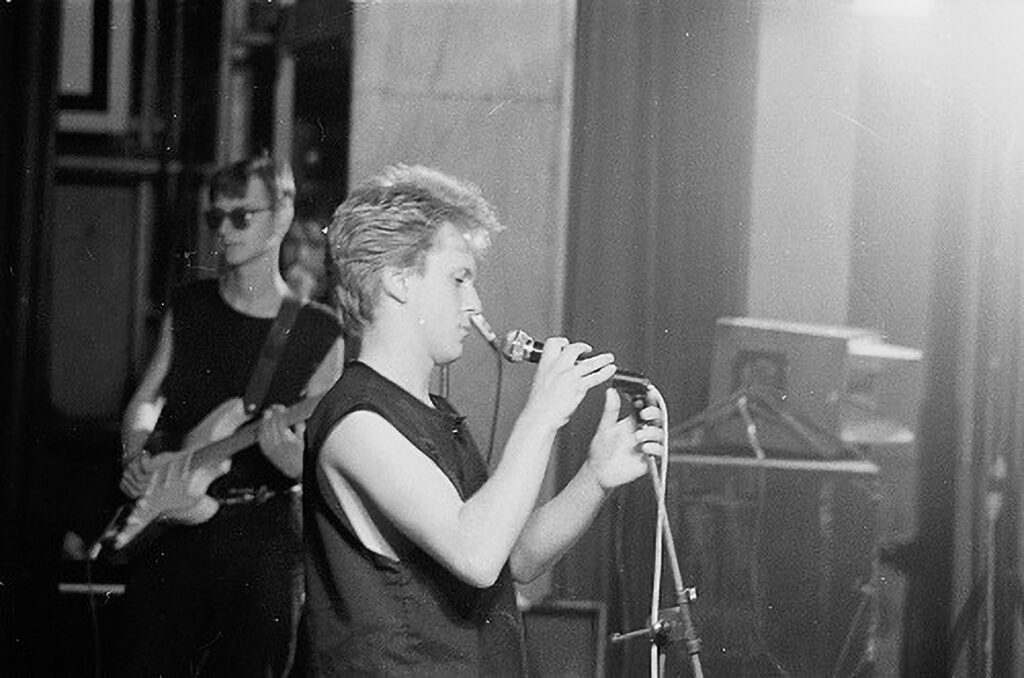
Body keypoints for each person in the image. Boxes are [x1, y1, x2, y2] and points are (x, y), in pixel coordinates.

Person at [302, 164, 664, 676]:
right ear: (398, 280)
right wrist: (540, 415)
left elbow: (515, 559)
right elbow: (475, 554)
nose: (474, 305)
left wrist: (595, 477)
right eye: (459, 279)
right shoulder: (357, 422)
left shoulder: (435, 413)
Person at [115, 154, 345, 677]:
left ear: (282, 215)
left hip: (262, 540)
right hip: (173, 523)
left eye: (242, 216)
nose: (225, 230)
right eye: (215, 217)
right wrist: (136, 451)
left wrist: (291, 461)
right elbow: (148, 398)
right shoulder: (190, 306)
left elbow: (321, 466)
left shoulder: (318, 331)